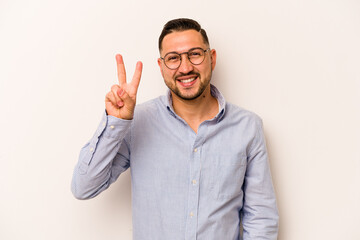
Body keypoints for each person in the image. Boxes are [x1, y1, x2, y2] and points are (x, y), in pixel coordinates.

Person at [71, 18, 279, 240]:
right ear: (161, 67)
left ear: (212, 58)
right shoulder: (137, 122)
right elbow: (84, 187)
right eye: (173, 58)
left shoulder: (248, 127)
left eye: (195, 54)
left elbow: (261, 220)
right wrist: (116, 123)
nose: (186, 67)